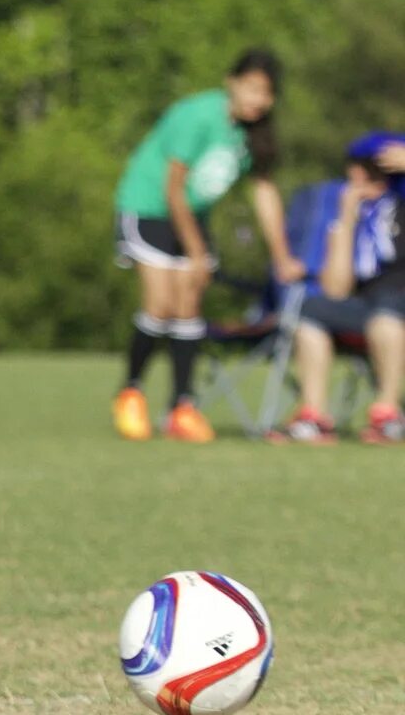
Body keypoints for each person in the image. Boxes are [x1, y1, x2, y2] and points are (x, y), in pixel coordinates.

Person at [112, 50, 296, 443]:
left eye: (266, 94)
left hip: (192, 220)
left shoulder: (251, 135)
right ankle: (130, 392)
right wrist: (198, 252)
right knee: (160, 305)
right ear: (231, 82)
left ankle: (182, 406)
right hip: (149, 208)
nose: (257, 101)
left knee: (188, 308)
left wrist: (282, 255)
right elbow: (173, 188)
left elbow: (264, 192)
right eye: (251, 89)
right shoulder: (197, 116)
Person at [276, 132, 405, 444]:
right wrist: (347, 219)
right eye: (355, 168)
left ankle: (387, 414)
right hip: (368, 308)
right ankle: (314, 417)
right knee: (312, 311)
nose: (358, 177)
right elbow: (335, 289)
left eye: (371, 169)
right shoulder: (353, 215)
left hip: (396, 308)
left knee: (387, 314)